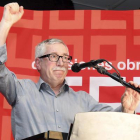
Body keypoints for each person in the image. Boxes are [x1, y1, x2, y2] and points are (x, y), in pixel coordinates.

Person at [0, 2, 140, 140]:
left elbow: (110, 123)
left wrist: (126, 110)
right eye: (54, 56)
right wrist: (5, 23)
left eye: (65, 57)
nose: (61, 62)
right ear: (38, 63)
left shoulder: (83, 100)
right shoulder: (21, 90)